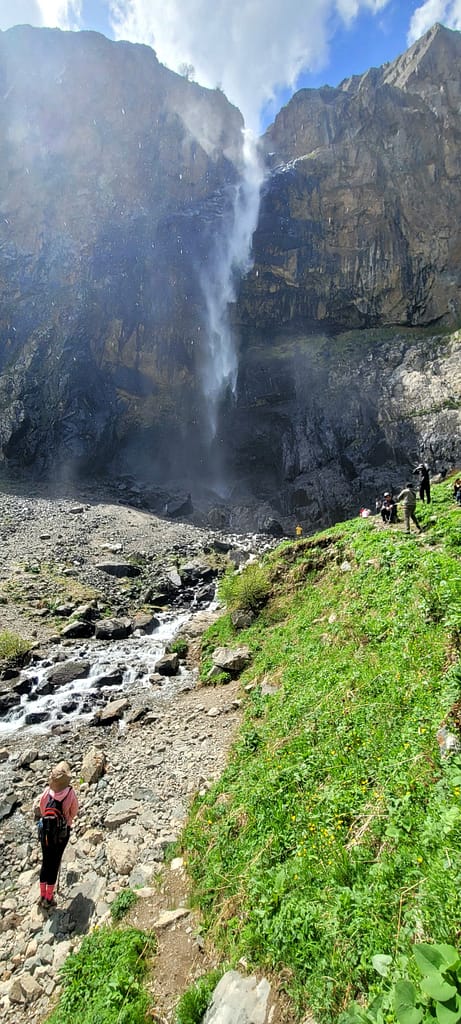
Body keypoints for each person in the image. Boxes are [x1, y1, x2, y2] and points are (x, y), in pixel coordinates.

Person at [36, 761, 79, 909]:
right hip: (61, 833)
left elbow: (42, 810)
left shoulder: (47, 792)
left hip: (45, 832)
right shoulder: (70, 793)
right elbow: (73, 813)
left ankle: (42, 895)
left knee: (46, 862)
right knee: (55, 863)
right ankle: (49, 898)